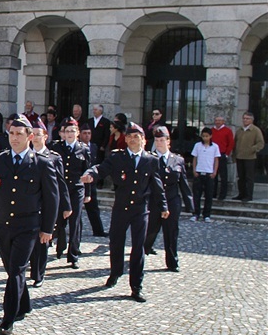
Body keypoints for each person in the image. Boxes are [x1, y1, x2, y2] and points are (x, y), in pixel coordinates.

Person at [0, 115, 59, 335]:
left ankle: (8, 318)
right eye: (11, 133)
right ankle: (24, 304)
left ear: (29, 136)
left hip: (28, 225)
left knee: (17, 269)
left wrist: (47, 229)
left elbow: (52, 198)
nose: (15, 138)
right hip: (4, 224)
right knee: (12, 269)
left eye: (19, 134)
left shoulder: (42, 163)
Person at [81, 122, 168, 303]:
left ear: (143, 140)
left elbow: (157, 186)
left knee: (138, 248)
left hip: (140, 210)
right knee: (116, 243)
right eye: (129, 136)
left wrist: (164, 207)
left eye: (136, 137)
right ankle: (115, 273)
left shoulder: (151, 160)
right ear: (125, 139)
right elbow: (101, 168)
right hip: (121, 208)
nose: (132, 139)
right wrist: (91, 174)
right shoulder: (117, 158)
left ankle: (136, 286)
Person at [27, 120, 71, 288]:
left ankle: (39, 273)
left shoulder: (53, 157)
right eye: (34, 134)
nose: (36, 138)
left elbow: (61, 183)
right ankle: (31, 269)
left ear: (45, 136)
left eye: (39, 135)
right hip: (30, 204)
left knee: (43, 239)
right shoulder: (26, 155)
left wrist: (66, 205)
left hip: (47, 205)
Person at [145, 127, 193, 271]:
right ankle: (142, 252)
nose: (159, 143)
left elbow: (183, 182)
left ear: (168, 141)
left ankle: (172, 262)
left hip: (172, 200)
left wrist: (190, 203)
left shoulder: (177, 160)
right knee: (151, 230)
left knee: (171, 231)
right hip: (155, 201)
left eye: (162, 140)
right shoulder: (149, 158)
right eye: (157, 140)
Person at [51, 118, 92, 271]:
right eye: (67, 131)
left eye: (72, 131)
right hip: (62, 189)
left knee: (75, 221)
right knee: (59, 219)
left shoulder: (84, 149)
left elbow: (88, 172)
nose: (69, 134)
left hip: (76, 188)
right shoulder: (57, 147)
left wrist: (87, 192)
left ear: (78, 133)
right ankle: (60, 246)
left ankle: (73, 254)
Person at [79, 123, 107, 237]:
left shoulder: (94, 147)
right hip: (80, 181)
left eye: (89, 133)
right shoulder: (78, 147)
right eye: (84, 133)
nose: (87, 136)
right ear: (80, 134)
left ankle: (98, 230)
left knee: (93, 207)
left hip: (91, 181)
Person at [190, 127, 220, 222]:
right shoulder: (197, 146)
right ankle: (196, 213)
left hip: (209, 173)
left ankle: (207, 214)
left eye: (207, 136)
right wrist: (194, 170)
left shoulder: (215, 147)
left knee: (209, 195)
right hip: (199, 172)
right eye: (203, 136)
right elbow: (195, 158)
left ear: (210, 136)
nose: (205, 138)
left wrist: (214, 171)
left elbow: (216, 160)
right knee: (196, 195)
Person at [233, 112, 265, 202]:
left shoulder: (256, 130)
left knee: (249, 177)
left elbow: (260, 143)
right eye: (244, 118)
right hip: (239, 156)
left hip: (250, 157)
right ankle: (241, 194)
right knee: (241, 177)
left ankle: (248, 195)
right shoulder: (239, 130)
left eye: (247, 118)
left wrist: (252, 149)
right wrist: (234, 154)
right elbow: (235, 143)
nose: (245, 120)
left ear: (251, 120)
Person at [211, 116, 234, 201]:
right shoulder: (211, 131)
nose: (218, 122)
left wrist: (227, 154)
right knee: (213, 175)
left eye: (220, 120)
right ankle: (213, 193)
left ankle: (222, 194)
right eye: (216, 120)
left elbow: (231, 143)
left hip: (222, 154)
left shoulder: (227, 131)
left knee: (223, 176)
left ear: (223, 121)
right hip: (212, 155)